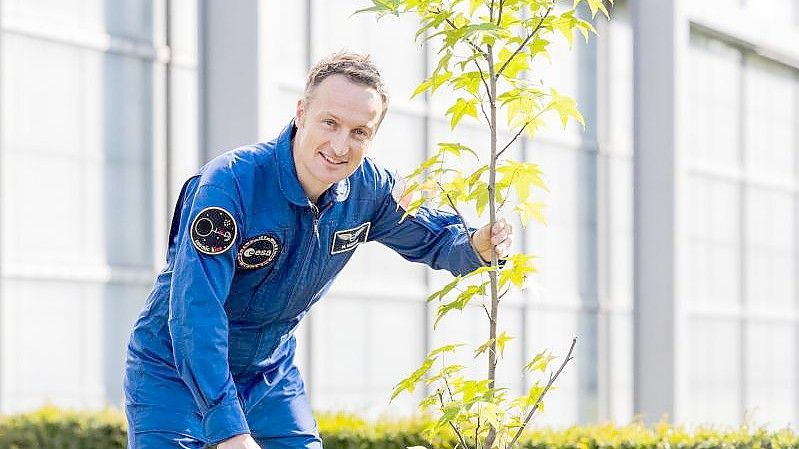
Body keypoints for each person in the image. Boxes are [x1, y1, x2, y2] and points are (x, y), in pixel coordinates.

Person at [123, 52, 513, 449]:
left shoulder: (371, 190)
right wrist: (230, 431)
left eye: (360, 132)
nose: (340, 145)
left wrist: (474, 246)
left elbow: (434, 237)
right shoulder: (228, 186)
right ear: (301, 113)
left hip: (267, 375)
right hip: (175, 371)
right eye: (330, 123)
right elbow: (195, 312)